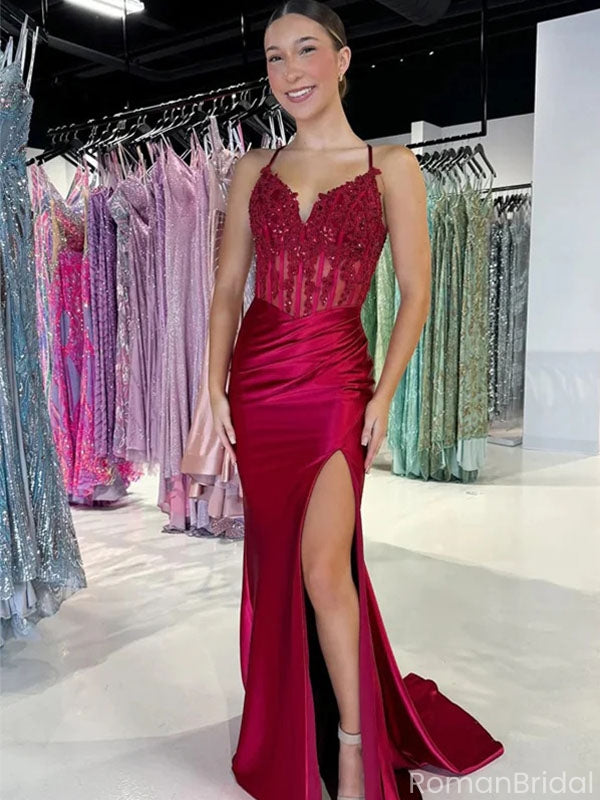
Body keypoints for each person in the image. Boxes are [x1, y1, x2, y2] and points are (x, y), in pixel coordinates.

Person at [208, 2, 504, 798]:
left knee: (324, 569)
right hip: (259, 384)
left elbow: (415, 293)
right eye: (274, 57)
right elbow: (228, 287)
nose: (289, 71)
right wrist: (212, 385)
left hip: (336, 381)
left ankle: (352, 741)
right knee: (276, 564)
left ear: (342, 61)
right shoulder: (252, 169)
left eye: (305, 50)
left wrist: (385, 394)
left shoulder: (391, 167)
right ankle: (293, 722)